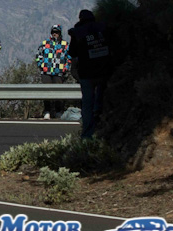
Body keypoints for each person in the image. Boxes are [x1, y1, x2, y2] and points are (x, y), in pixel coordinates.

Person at [68, 10, 114, 139]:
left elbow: (72, 52)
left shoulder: (78, 32)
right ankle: (102, 130)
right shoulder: (103, 29)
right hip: (104, 72)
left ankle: (88, 134)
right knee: (101, 101)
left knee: (87, 105)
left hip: (87, 74)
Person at [35, 24, 72, 119]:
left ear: (60, 33)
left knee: (59, 92)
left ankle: (58, 111)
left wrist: (66, 67)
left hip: (59, 72)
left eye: (57, 32)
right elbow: (38, 55)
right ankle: (47, 111)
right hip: (46, 72)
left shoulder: (65, 44)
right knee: (46, 92)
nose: (55, 34)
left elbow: (69, 57)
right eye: (53, 32)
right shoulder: (45, 43)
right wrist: (41, 65)